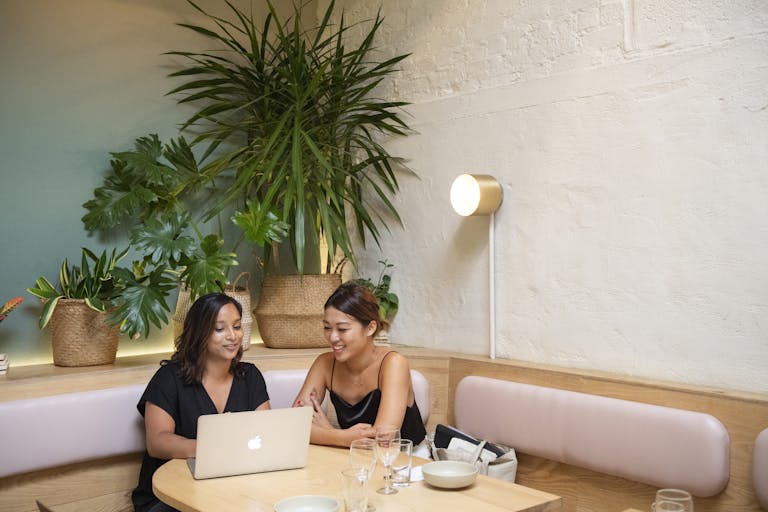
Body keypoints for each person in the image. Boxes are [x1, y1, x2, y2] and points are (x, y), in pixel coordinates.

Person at [131, 293, 270, 512]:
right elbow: (157, 443)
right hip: (171, 497)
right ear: (199, 333)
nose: (232, 336)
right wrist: (216, 449)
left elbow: (265, 434)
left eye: (236, 326)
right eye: (220, 329)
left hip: (231, 490)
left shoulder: (250, 377)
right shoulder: (169, 378)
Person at [292, 281, 427, 450]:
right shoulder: (324, 364)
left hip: (407, 461)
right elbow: (296, 425)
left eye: (342, 329)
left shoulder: (393, 364)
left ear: (370, 328)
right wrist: (342, 437)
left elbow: (382, 442)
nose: (332, 337)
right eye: (327, 327)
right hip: (355, 458)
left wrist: (327, 432)